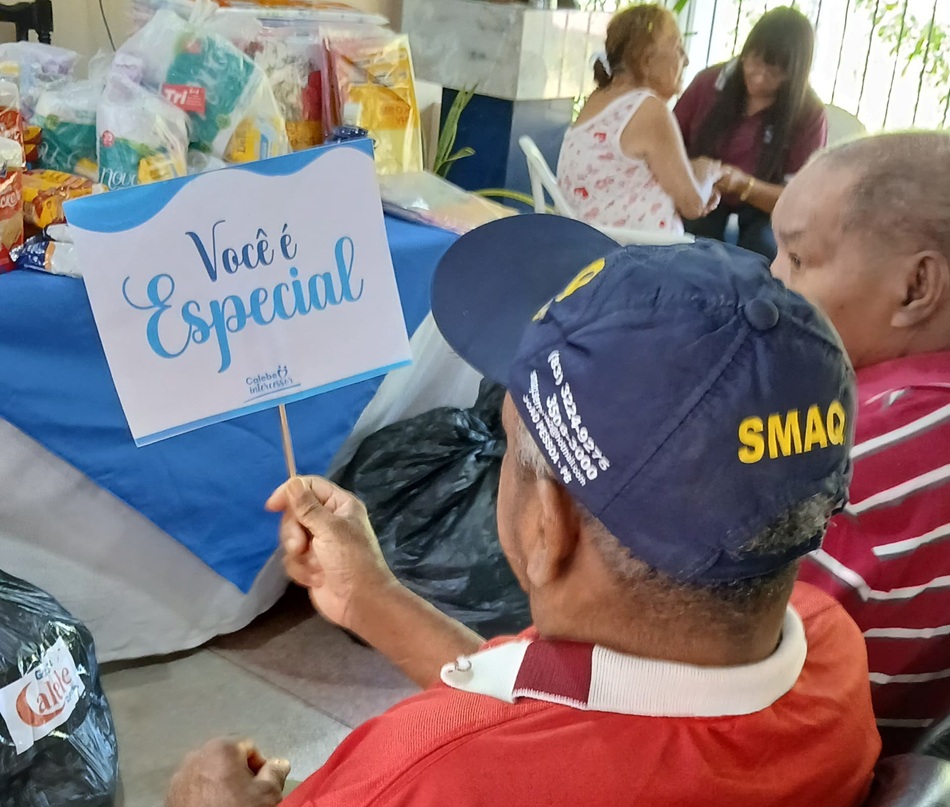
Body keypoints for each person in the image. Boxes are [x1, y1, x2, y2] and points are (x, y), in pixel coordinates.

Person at [166, 217, 881, 807]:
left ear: (548, 522)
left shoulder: (424, 778)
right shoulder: (828, 652)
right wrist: (371, 597)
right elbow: (555, 709)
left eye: (508, 442)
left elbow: (509, 745)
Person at [771, 130, 950, 756]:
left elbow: (692, 654)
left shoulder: (844, 458)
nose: (772, 282)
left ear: (915, 287)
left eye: (798, 260)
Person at [675, 6, 827, 259]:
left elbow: (800, 200)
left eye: (775, 72)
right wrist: (695, 169)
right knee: (690, 242)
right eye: (754, 61)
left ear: (794, 75)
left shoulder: (809, 113)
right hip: (700, 194)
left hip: (766, 212)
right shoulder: (709, 82)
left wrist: (745, 186)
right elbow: (666, 149)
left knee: (765, 248)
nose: (758, 78)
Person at [557, 4, 721, 235]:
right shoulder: (648, 109)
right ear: (647, 60)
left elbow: (625, 179)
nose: (686, 60)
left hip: (588, 244)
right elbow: (692, 205)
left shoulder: (599, 98)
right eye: (678, 48)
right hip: (637, 253)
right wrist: (707, 173)